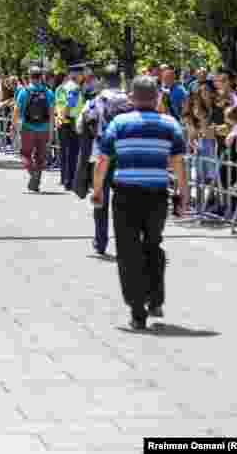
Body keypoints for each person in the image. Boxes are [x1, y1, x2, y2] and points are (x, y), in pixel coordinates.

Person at [92, 75, 187, 331]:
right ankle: (155, 297)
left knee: (128, 252)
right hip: (157, 194)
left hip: (125, 195)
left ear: (131, 98)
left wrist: (98, 190)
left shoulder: (119, 124)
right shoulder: (170, 124)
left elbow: (103, 160)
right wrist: (183, 193)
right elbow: (178, 162)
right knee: (153, 244)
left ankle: (137, 312)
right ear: (157, 98)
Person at [77, 65, 132, 256]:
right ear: (121, 79)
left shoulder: (95, 101)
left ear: (104, 80)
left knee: (100, 198)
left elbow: (79, 126)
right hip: (126, 156)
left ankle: (100, 241)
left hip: (101, 155)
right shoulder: (131, 101)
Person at [13, 66, 54, 192]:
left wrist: (14, 128)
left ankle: (33, 174)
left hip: (28, 128)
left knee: (25, 154)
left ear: (29, 76)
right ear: (41, 76)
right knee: (40, 156)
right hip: (44, 128)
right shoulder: (48, 92)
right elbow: (52, 114)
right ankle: (36, 180)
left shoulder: (24, 92)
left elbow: (16, 111)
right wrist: (51, 131)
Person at [55, 64, 86, 191]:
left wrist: (59, 117)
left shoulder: (60, 87)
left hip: (62, 121)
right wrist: (64, 116)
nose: (83, 76)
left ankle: (64, 178)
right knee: (73, 152)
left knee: (64, 151)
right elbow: (70, 104)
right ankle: (70, 181)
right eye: (81, 74)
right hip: (71, 121)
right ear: (76, 75)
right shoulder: (74, 88)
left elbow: (58, 104)